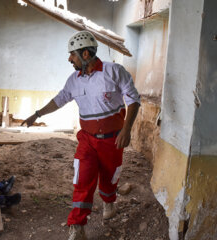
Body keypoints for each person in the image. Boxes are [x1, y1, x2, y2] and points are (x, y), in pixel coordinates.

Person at [21, 30, 140, 240]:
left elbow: (133, 100)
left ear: (85, 54)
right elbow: (60, 99)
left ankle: (109, 201)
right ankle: (77, 225)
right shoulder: (73, 80)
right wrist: (37, 114)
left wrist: (127, 129)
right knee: (82, 180)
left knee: (110, 177)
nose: (69, 59)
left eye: (72, 55)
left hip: (113, 139)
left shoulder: (114, 71)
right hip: (87, 140)